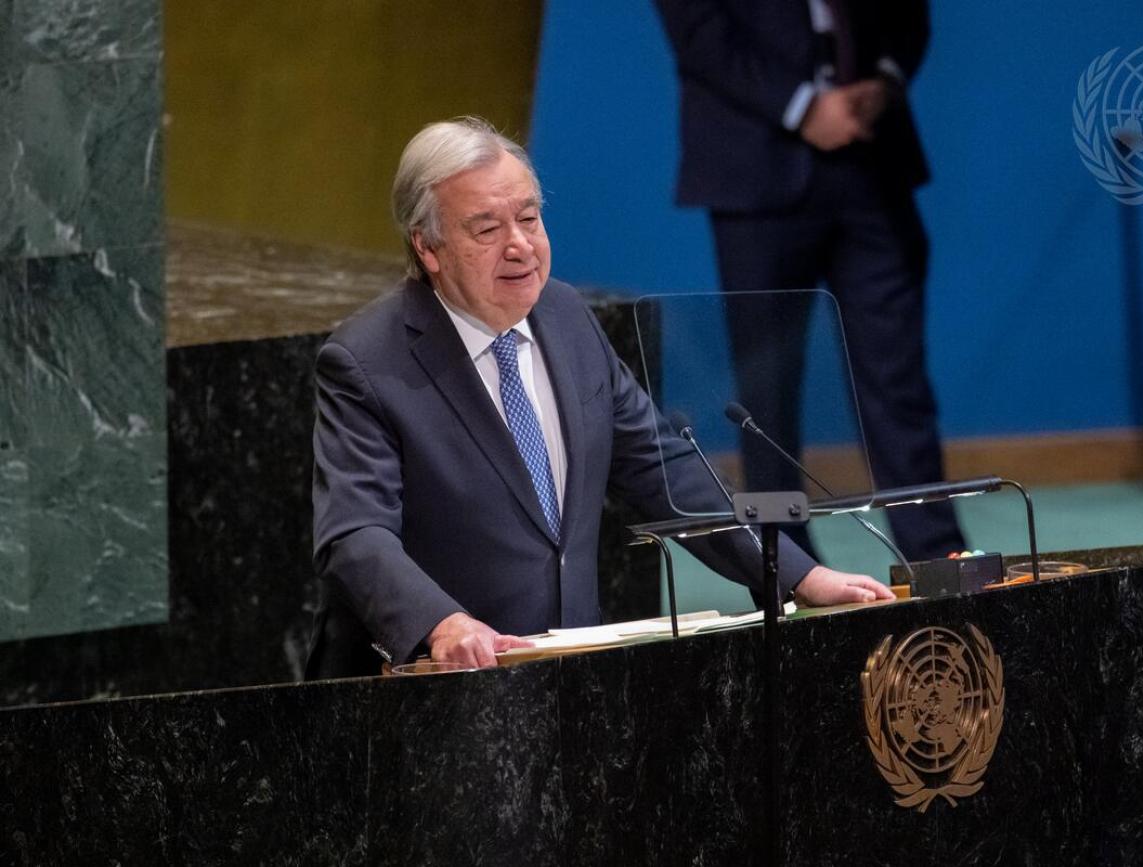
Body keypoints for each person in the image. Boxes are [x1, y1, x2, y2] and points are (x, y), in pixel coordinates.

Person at [305, 118, 894, 679]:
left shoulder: (566, 317)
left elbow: (663, 469)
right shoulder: (367, 361)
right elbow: (354, 534)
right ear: (428, 248)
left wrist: (799, 575)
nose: (520, 246)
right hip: (435, 685)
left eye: (529, 219)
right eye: (486, 229)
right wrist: (442, 623)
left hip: (567, 673)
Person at [654, 0, 967, 562]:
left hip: (875, 163)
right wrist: (802, 108)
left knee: (899, 379)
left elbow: (909, 14)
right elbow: (700, 32)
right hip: (754, 167)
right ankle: (785, 567)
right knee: (765, 391)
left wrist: (886, 84)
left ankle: (938, 558)